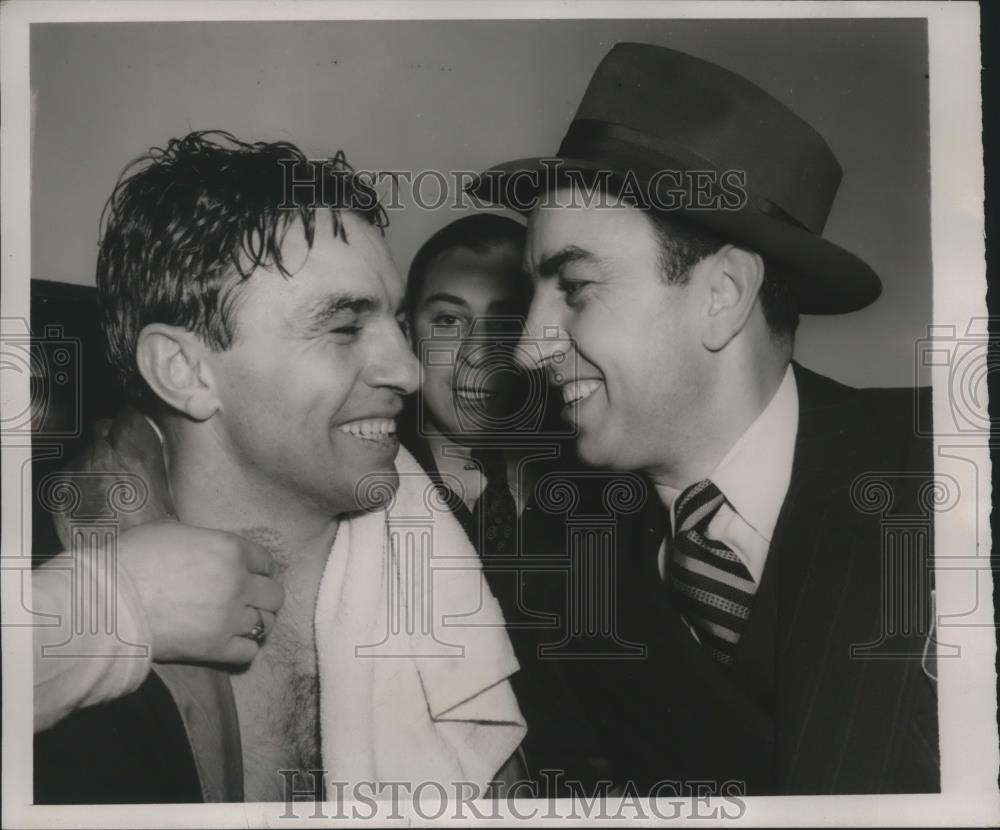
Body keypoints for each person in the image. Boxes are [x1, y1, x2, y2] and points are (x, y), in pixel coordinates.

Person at [469, 42, 938, 795]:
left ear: (722, 292)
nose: (528, 349)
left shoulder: (952, 471)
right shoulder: (563, 577)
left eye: (576, 286)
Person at [34, 131, 525, 804]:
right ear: (185, 372)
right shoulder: (60, 602)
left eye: (398, 325)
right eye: (344, 329)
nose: (409, 373)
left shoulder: (445, 563)